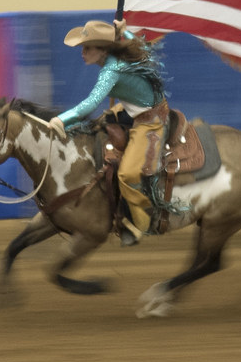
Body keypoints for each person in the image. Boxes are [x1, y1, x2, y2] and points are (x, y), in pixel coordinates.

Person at [50, 19, 167, 246]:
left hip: (150, 119)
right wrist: (128, 33)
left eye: (87, 48)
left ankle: (141, 223)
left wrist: (60, 120)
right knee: (97, 127)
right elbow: (146, 50)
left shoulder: (111, 70)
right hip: (131, 109)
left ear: (102, 50)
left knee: (127, 175)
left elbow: (90, 104)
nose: (82, 53)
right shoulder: (114, 62)